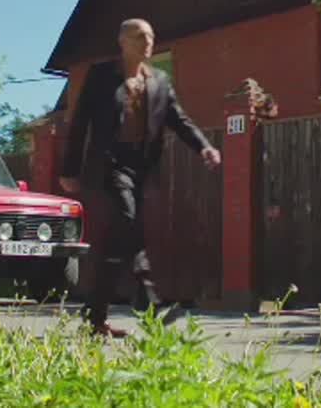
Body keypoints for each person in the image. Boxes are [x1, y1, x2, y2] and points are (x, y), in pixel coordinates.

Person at [59, 18, 221, 337]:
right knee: (128, 220)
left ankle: (95, 317)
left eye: (151, 37)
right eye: (140, 36)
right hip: (109, 165)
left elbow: (179, 120)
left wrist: (203, 146)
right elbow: (80, 122)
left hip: (140, 168)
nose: (148, 42)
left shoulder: (159, 80)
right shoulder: (101, 76)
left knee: (119, 239)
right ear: (123, 41)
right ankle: (151, 304)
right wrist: (69, 169)